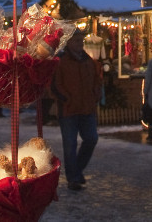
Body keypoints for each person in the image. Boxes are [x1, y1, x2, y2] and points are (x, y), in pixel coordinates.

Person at [51, 31, 103, 192]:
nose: (80, 43)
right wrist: (66, 99)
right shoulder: (61, 62)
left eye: (81, 40)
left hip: (87, 108)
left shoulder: (89, 62)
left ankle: (76, 171)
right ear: (69, 42)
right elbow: (54, 85)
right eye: (76, 40)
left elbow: (97, 81)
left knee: (91, 139)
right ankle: (73, 178)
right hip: (68, 110)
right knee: (70, 144)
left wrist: (95, 96)